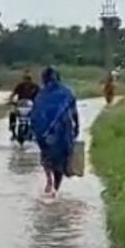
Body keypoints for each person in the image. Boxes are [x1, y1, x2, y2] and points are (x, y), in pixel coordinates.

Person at [31, 66, 80, 197]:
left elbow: (35, 113)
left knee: (46, 155)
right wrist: (77, 127)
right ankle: (56, 189)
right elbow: (74, 112)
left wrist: (34, 129)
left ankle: (49, 179)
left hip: (44, 131)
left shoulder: (41, 94)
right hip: (63, 130)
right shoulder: (67, 92)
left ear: (44, 78)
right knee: (61, 159)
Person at [8, 69, 40, 136]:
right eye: (25, 79)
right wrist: (10, 100)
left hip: (32, 106)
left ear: (30, 79)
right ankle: (12, 129)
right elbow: (13, 94)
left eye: (28, 79)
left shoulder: (35, 87)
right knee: (12, 114)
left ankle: (37, 129)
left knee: (38, 115)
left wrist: (39, 102)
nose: (26, 81)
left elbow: (40, 95)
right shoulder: (20, 86)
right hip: (20, 105)